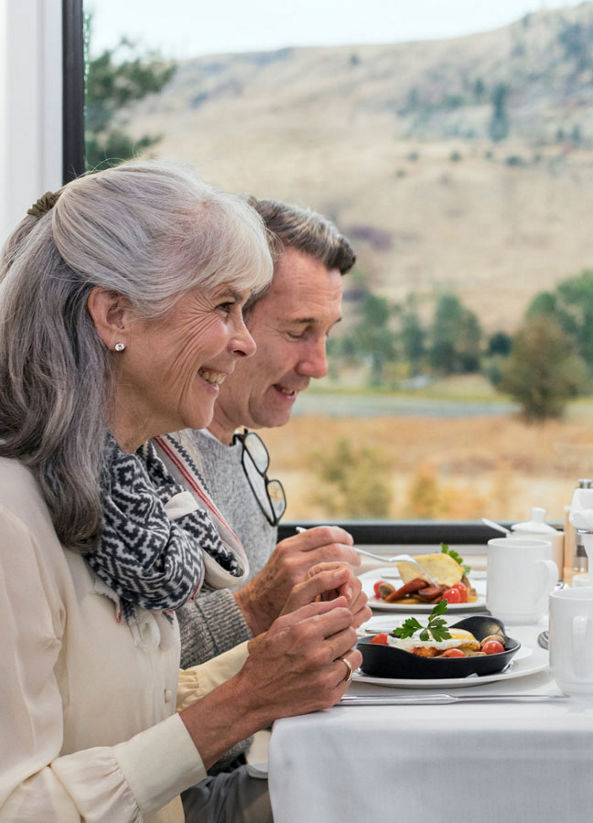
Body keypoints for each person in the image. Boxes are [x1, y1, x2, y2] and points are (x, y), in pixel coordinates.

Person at [0, 160, 366, 822]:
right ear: (115, 314)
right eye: (225, 307)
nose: (243, 340)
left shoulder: (122, 494)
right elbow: (17, 804)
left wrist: (272, 667)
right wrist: (247, 699)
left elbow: (128, 711)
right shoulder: (12, 519)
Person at [172, 198, 359, 670]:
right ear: (228, 320)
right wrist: (259, 602)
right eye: (299, 332)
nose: (319, 366)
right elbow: (137, 670)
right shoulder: (146, 460)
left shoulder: (241, 451)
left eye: (327, 334)